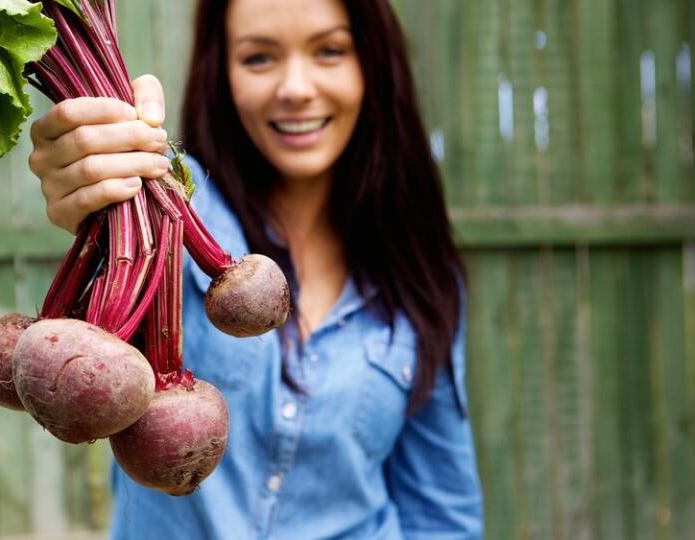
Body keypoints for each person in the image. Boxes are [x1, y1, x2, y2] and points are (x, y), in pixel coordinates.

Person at [28, 0, 484, 537]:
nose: (295, 87)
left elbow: (442, 513)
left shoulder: (420, 273)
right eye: (259, 58)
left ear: (373, 65)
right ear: (222, 72)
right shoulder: (166, 202)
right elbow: (111, 189)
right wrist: (92, 177)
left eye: (329, 51)